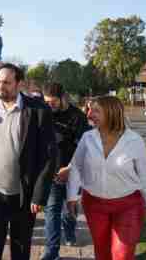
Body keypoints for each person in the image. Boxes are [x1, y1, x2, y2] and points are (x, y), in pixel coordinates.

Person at [0, 63, 58, 260]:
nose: (1, 86)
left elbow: (50, 155)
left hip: (23, 192)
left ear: (19, 84)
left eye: (6, 82)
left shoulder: (38, 111)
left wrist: (39, 195)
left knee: (21, 247)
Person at [67, 96, 146, 260]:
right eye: (89, 110)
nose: (89, 115)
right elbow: (76, 167)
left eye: (96, 111)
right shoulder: (87, 138)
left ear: (111, 113)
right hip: (94, 204)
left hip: (128, 205)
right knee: (102, 251)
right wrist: (72, 197)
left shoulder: (134, 141)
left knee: (122, 255)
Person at [40, 83, 90, 260]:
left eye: (52, 102)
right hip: (51, 172)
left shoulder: (78, 117)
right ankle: (51, 252)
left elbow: (84, 147)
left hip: (73, 173)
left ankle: (69, 230)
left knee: (70, 209)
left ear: (63, 98)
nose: (49, 106)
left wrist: (70, 168)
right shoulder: (44, 114)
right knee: (51, 210)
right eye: (46, 102)